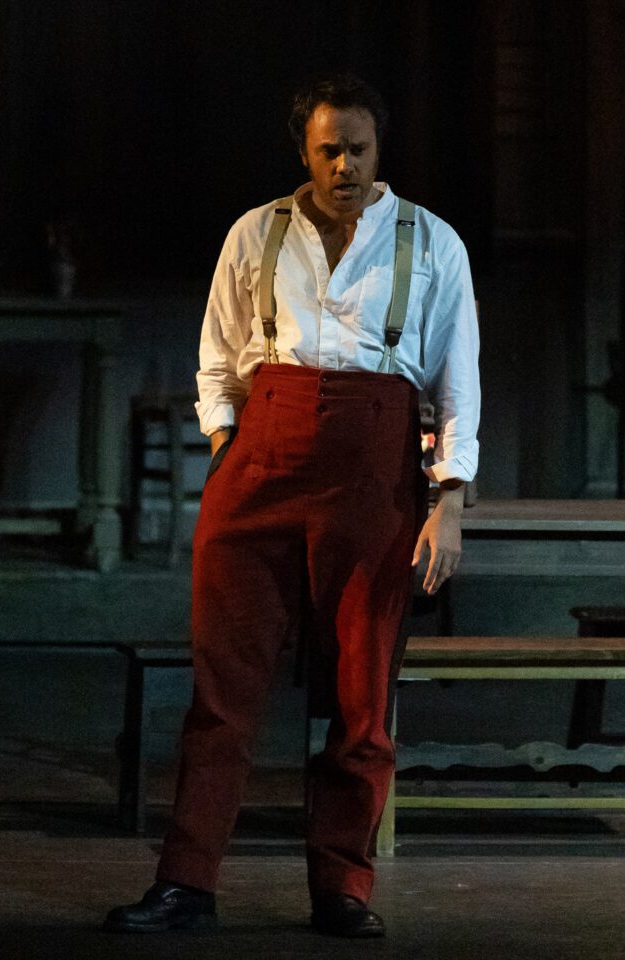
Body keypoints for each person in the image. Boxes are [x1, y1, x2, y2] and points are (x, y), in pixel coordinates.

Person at [105, 73, 480, 939]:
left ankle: (342, 888)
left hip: (374, 472)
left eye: (359, 149)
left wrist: (446, 501)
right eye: (328, 150)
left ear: (379, 151)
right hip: (262, 461)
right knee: (223, 687)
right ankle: (187, 881)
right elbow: (215, 357)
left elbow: (457, 381)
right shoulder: (256, 232)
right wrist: (229, 444)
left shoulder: (430, 243)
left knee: (359, 693)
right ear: (303, 152)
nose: (344, 165)